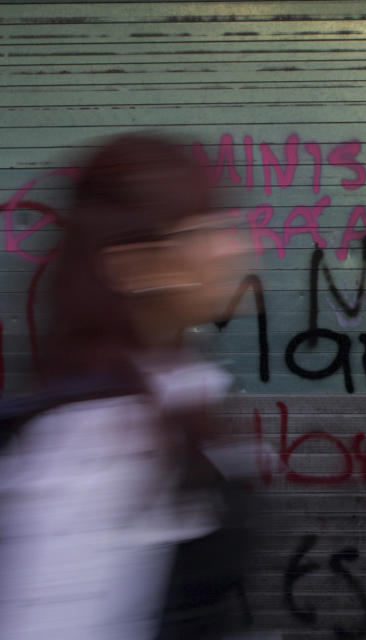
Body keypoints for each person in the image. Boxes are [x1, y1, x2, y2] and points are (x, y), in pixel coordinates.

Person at [0, 132, 250, 639]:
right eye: (201, 230)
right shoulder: (90, 443)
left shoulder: (176, 381)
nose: (233, 247)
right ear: (135, 265)